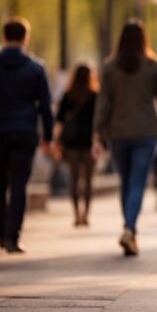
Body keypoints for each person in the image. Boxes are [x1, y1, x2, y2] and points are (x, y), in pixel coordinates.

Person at [0, 17, 53, 254]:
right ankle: (13, 236)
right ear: (26, 39)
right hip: (24, 132)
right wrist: (49, 137)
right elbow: (45, 105)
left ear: (4, 38)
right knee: (19, 186)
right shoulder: (36, 68)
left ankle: (0, 233)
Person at [93, 19, 157, 256]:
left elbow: (104, 103)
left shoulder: (110, 67)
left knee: (126, 182)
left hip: (119, 132)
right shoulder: (153, 65)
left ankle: (129, 228)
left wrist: (98, 132)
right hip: (146, 131)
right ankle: (129, 228)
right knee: (138, 182)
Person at [54, 64, 98, 227]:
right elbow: (98, 123)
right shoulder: (94, 96)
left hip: (71, 143)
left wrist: (57, 142)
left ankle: (76, 214)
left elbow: (59, 121)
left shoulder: (68, 95)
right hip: (89, 143)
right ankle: (85, 214)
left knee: (73, 179)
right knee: (88, 180)